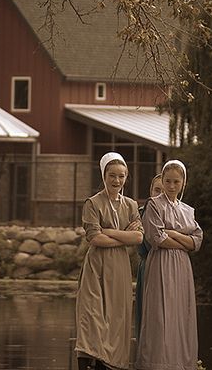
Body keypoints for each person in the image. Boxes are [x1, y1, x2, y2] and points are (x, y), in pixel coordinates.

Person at [75, 152, 143, 370]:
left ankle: (110, 363)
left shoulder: (132, 205)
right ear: (104, 176)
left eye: (121, 176)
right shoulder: (92, 203)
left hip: (120, 266)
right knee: (92, 314)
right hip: (97, 265)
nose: (117, 181)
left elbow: (139, 237)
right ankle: (87, 360)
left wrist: (110, 232)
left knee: (116, 315)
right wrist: (123, 236)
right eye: (112, 175)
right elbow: (94, 237)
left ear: (126, 177)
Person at [135, 159, 203, 370]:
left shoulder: (188, 210)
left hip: (182, 266)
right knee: (160, 312)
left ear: (183, 183)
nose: (172, 186)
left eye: (176, 182)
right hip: (161, 263)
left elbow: (198, 240)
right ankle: (157, 363)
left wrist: (172, 233)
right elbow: (156, 238)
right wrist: (184, 240)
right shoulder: (154, 204)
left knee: (180, 312)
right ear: (162, 181)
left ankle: (179, 362)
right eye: (168, 181)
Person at [134, 173, 163, 340]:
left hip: (169, 267)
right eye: (156, 190)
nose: (159, 194)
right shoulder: (141, 212)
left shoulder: (174, 212)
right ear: (150, 191)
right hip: (149, 267)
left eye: (163, 190)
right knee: (147, 314)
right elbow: (147, 245)